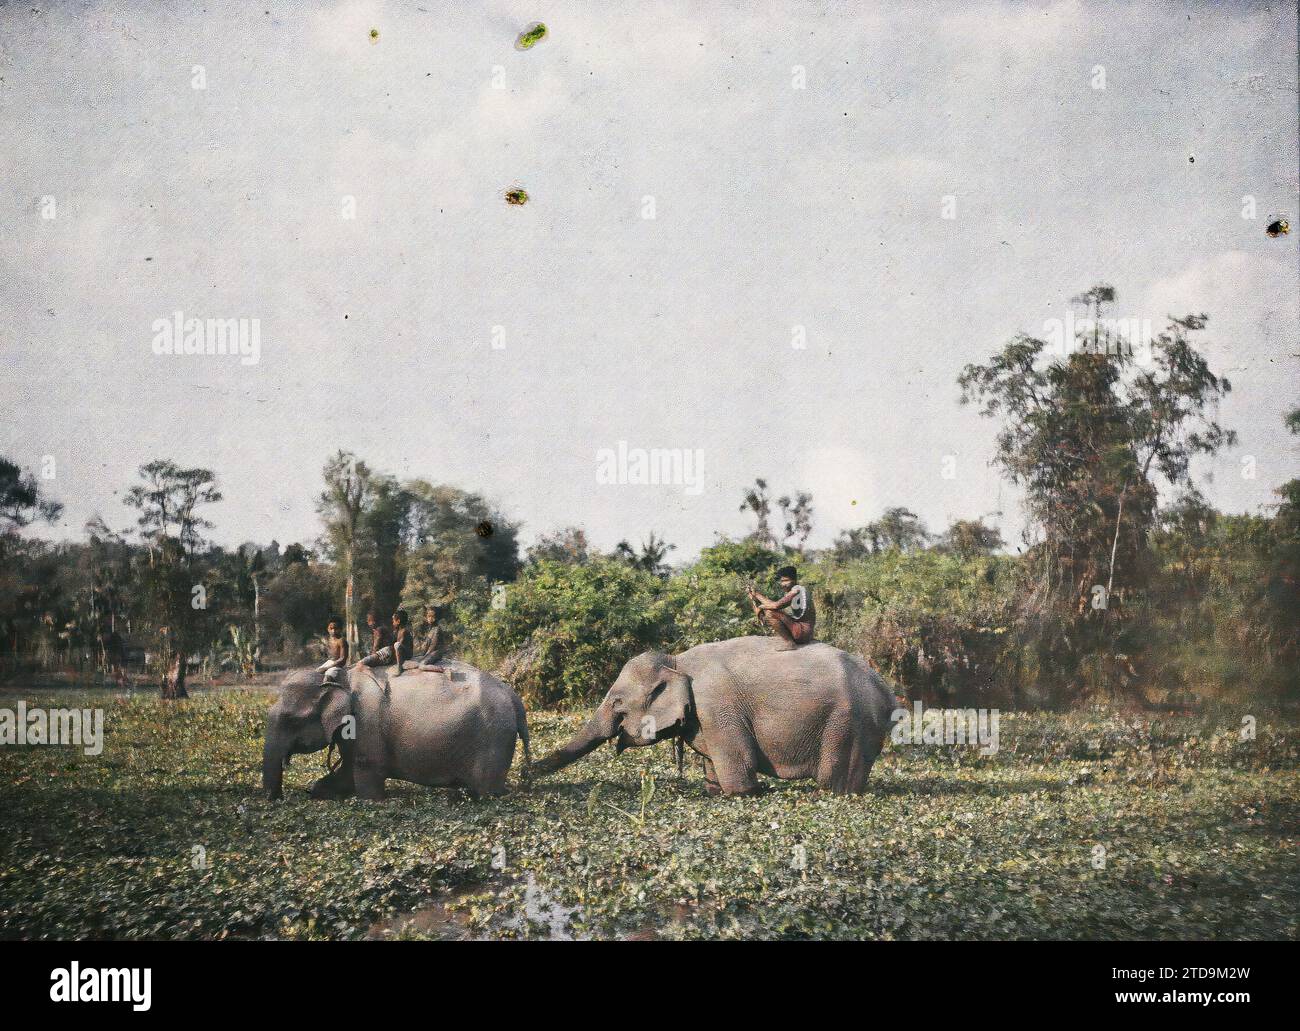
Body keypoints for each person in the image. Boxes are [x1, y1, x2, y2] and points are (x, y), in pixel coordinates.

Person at [747, 565, 816, 651]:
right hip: (804, 631)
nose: (783, 584)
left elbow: (776, 606)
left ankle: (789, 643)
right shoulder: (796, 590)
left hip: (802, 632)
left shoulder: (796, 590)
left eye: (786, 580)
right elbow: (775, 604)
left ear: (794, 580)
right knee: (772, 610)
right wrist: (756, 594)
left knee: (770, 612)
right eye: (782, 581)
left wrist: (761, 607)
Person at [359, 609, 413, 675]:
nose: (392, 623)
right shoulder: (397, 631)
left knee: (397, 645)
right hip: (392, 652)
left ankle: (399, 668)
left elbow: (399, 647)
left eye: (393, 621)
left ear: (398, 621)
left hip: (402, 654)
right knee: (367, 661)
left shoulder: (403, 632)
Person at [410, 604, 451, 673]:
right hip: (430, 652)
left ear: (436, 617)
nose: (430, 619)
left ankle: (444, 670)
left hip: (436, 652)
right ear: (426, 616)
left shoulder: (436, 629)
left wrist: (424, 656)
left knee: (422, 665)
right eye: (429, 616)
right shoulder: (428, 628)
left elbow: (433, 646)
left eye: (433, 616)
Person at [316, 617, 350, 683]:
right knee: (315, 674)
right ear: (328, 629)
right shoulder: (328, 639)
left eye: (336, 628)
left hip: (338, 666)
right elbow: (327, 655)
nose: (333, 631)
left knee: (327, 678)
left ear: (340, 629)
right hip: (330, 663)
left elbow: (342, 659)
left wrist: (326, 668)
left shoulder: (341, 641)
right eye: (331, 628)